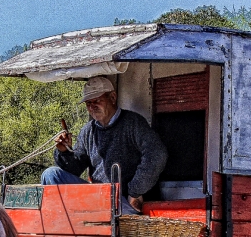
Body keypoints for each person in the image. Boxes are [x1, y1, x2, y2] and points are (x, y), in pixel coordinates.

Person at [41, 75, 167, 215]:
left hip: (123, 202)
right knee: (51, 174)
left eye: (97, 101)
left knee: (112, 204)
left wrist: (135, 191)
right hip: (97, 197)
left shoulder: (132, 123)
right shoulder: (88, 130)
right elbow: (75, 169)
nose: (92, 107)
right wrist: (64, 152)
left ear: (112, 98)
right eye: (88, 103)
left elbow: (157, 154)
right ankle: (62, 226)